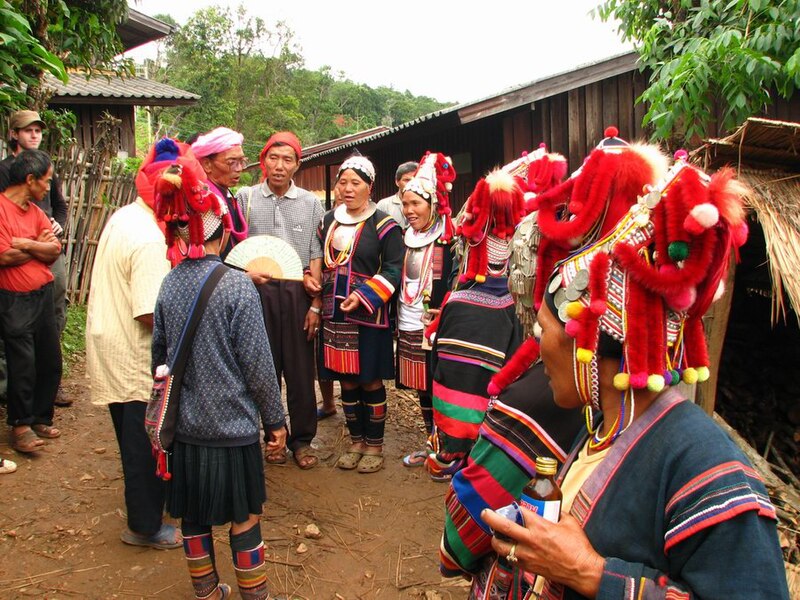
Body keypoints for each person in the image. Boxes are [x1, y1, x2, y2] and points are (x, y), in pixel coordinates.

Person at [482, 156, 790, 599]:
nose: (536, 346)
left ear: (589, 340)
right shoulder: (605, 428)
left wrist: (590, 573)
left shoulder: (706, 466)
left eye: (541, 329)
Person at [152, 159, 286, 600]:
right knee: (244, 515)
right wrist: (275, 422)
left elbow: (160, 357)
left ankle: (207, 593)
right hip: (233, 429)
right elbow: (259, 366)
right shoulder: (236, 286)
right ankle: (255, 594)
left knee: (193, 517)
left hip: (186, 429)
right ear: (222, 232)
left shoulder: (169, 284)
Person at [85, 139, 187, 550]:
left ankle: (151, 509)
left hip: (113, 340)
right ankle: (145, 527)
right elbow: (150, 313)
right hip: (134, 352)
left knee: (135, 435)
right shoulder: (148, 237)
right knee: (144, 441)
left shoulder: (127, 215)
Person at [424, 166, 527, 482]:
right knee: (486, 377)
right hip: (500, 300)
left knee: (458, 377)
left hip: (478, 299)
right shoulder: (516, 228)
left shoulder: (477, 224)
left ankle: (452, 449)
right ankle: (478, 452)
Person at [234, 131, 325, 470]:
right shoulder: (247, 198)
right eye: (274, 158)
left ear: (297, 165)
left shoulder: (311, 203)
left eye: (287, 159)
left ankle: (302, 441)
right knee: (263, 368)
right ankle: (274, 438)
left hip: (298, 290)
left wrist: (315, 302)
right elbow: (235, 247)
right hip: (256, 291)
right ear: (264, 161)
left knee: (301, 370)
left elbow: (316, 252)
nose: (279, 166)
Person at [317, 153, 404, 474]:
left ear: (370, 187)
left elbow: (395, 269)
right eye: (343, 182)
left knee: (369, 380)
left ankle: (375, 445)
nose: (348, 189)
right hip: (335, 315)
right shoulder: (327, 221)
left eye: (356, 183)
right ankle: (355, 441)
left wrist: (365, 294)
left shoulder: (385, 225)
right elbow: (321, 260)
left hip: (369, 316)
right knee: (347, 382)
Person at [0, 110, 70, 407]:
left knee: (53, 315)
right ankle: (10, 389)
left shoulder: (45, 169)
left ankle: (47, 387)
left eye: (38, 130)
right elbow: (4, 252)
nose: (34, 135)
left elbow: (59, 208)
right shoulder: (5, 173)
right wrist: (33, 245)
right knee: (17, 338)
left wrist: (57, 228)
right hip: (17, 268)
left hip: (42, 246)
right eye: (28, 130)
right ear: (14, 134)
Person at [394, 151, 457, 466]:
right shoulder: (404, 238)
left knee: (443, 385)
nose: (409, 211)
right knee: (423, 387)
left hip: (441, 325)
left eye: (415, 204)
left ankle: (447, 448)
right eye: (405, 204)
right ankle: (432, 443)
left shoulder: (451, 239)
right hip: (409, 320)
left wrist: (446, 309)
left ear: (432, 204)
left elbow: (459, 281)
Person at [0, 149, 62, 453]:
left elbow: (55, 249)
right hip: (14, 299)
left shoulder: (35, 211)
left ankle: (40, 416)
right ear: (29, 179)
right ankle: (21, 424)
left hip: (42, 296)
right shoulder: (1, 209)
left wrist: (24, 243)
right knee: (22, 363)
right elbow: (3, 256)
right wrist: (40, 246)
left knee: (50, 360)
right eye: (46, 181)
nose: (48, 188)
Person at [191, 127, 250, 259]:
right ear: (207, 165)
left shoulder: (227, 194)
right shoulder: (205, 202)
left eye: (242, 161)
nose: (239, 168)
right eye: (232, 162)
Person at [376, 160, 418, 229]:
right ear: (397, 182)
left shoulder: (426, 205)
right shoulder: (384, 205)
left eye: (415, 180)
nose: (412, 184)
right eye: (407, 180)